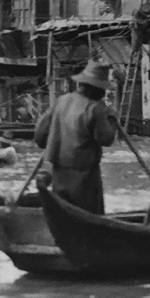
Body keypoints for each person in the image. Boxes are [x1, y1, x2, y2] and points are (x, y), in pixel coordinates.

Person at [31, 60, 118, 215]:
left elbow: (39, 135)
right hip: (85, 179)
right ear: (98, 89)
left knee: (64, 212)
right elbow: (107, 139)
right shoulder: (95, 108)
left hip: (60, 175)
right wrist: (111, 117)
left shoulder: (61, 101)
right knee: (89, 216)